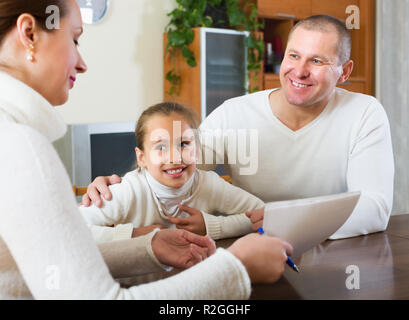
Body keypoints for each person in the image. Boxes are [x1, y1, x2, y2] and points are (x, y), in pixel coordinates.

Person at [0, 0, 293, 299]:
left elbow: (51, 266)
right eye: (74, 39)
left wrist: (148, 246)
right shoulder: (21, 148)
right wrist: (236, 268)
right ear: (29, 33)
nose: (82, 63)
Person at [84, 15, 394, 240]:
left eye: (317, 61)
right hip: (253, 247)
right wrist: (118, 183)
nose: (299, 71)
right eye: (293, 55)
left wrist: (279, 222)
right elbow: (178, 165)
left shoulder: (364, 113)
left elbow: (375, 208)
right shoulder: (236, 113)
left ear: (344, 71)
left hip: (336, 254)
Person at [80, 101, 265, 243]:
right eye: (160, 147)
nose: (175, 157)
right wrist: (133, 234)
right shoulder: (130, 190)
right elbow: (73, 227)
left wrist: (212, 226)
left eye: (184, 144)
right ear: (142, 158)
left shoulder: (209, 184)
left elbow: (263, 214)